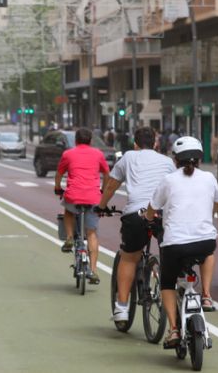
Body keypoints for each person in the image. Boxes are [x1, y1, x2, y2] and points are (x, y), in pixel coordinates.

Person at [145, 136, 218, 349]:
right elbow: (217, 202)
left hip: (175, 244)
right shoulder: (209, 178)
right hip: (204, 241)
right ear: (199, 159)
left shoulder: (169, 180)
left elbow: (153, 208)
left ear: (176, 160)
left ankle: (174, 330)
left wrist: (148, 218)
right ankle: (206, 296)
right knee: (208, 252)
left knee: (168, 282)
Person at [98, 127, 176, 327]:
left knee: (129, 257)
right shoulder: (167, 162)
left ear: (135, 143)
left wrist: (101, 206)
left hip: (136, 214)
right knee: (169, 254)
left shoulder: (128, 157)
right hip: (162, 214)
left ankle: (122, 308)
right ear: (156, 144)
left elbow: (111, 186)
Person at [54, 128, 110, 285]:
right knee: (92, 233)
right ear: (90, 140)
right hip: (93, 196)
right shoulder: (98, 154)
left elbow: (59, 174)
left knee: (68, 210)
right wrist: (102, 190)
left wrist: (58, 187)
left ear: (76, 141)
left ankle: (70, 238)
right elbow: (107, 174)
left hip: (74, 195)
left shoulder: (68, 154)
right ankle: (93, 270)